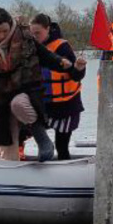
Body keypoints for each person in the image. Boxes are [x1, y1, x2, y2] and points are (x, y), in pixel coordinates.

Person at [0, 7, 75, 162]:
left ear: (11, 25)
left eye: (5, 31)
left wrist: (59, 62)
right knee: (6, 140)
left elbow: (43, 54)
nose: (1, 35)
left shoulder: (24, 35)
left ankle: (41, 137)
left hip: (23, 87)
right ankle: (9, 174)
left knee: (18, 104)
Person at [29, 14, 86, 160]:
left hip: (66, 105)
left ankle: (65, 172)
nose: (35, 37)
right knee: (38, 136)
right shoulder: (30, 48)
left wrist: (79, 68)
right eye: (32, 33)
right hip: (44, 105)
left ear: (48, 29)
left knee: (62, 146)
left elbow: (75, 75)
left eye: (38, 33)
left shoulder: (62, 46)